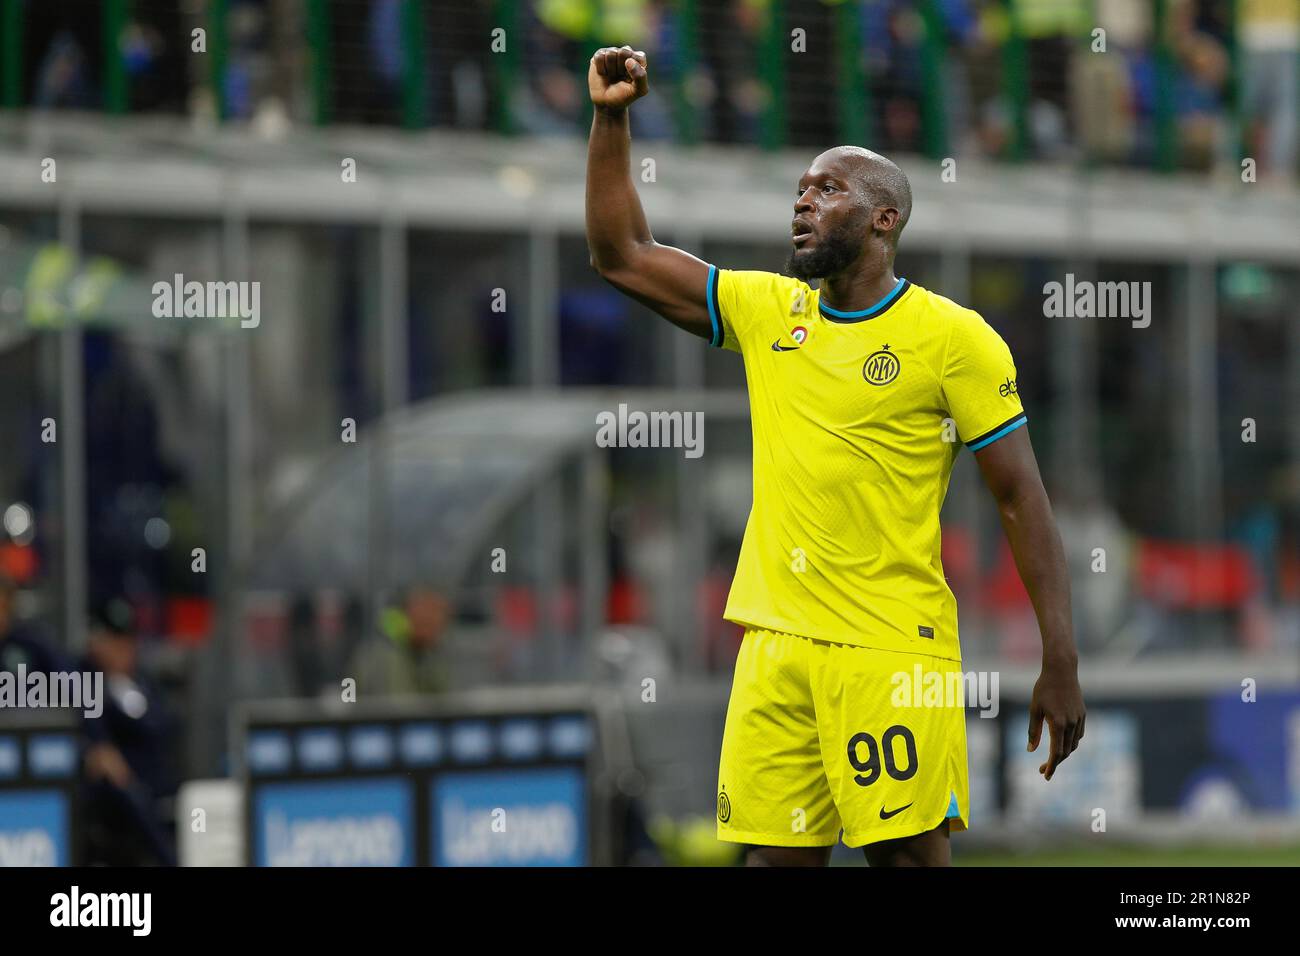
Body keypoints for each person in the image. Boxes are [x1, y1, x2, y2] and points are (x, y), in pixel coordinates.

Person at [584, 46, 1086, 867]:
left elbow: (1020, 497)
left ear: (885, 219)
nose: (804, 203)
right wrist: (611, 118)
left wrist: (1058, 657)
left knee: (905, 860)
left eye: (828, 189)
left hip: (889, 649)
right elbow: (622, 254)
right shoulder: (766, 310)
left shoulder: (953, 339)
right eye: (800, 191)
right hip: (772, 646)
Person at [347, 586, 451, 696]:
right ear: (407, 613)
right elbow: (398, 709)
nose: (437, 623)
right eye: (429, 614)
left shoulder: (422, 653)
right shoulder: (385, 656)